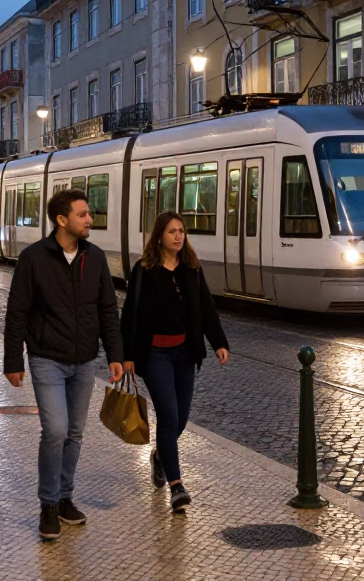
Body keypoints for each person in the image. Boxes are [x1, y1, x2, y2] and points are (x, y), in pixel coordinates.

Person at [3, 188, 123, 541]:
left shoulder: (95, 258)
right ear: (62, 219)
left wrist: (115, 354)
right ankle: (48, 504)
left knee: (74, 433)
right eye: (83, 214)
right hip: (46, 358)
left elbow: (107, 311)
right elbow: (17, 312)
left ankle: (66, 496)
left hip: (85, 359)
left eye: (89, 213)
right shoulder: (34, 258)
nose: (90, 219)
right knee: (55, 430)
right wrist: (13, 360)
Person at [120, 211, 230, 513]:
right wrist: (127, 355)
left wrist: (219, 341)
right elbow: (130, 314)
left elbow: (206, 306)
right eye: (172, 231)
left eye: (181, 231)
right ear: (159, 236)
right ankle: (177, 486)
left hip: (184, 352)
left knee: (180, 419)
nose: (178, 236)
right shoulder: (144, 270)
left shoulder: (192, 268)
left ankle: (160, 456)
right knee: (168, 417)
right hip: (155, 353)